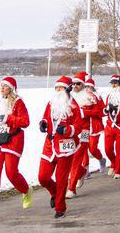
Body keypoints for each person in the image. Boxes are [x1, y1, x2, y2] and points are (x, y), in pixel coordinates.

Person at [0, 76, 32, 221]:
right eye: (1, 86)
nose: (2, 88)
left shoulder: (18, 102)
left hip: (13, 141)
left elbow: (25, 121)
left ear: (12, 88)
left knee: (11, 173)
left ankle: (26, 190)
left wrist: (8, 119)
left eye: (5, 86)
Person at [37, 76, 83, 219]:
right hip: (49, 146)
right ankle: (54, 192)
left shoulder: (74, 106)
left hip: (65, 147)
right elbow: (46, 117)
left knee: (61, 178)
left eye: (61, 88)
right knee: (43, 177)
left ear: (68, 89)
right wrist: (43, 123)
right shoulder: (51, 103)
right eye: (56, 87)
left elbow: (79, 126)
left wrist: (68, 130)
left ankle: (60, 207)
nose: (57, 90)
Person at [67, 72, 104, 196]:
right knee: (71, 158)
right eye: (73, 84)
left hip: (85, 130)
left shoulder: (91, 96)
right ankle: (82, 172)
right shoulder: (69, 96)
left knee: (78, 156)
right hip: (72, 131)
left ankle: (71, 189)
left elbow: (100, 112)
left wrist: (84, 113)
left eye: (78, 84)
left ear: (83, 84)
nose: (75, 86)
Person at [102, 75, 120, 178]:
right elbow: (105, 110)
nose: (114, 85)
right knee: (107, 149)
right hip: (110, 126)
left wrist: (119, 111)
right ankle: (113, 163)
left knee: (119, 150)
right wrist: (106, 111)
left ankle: (118, 170)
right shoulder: (109, 96)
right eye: (112, 83)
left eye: (116, 83)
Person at [84, 76, 108, 173]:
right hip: (84, 128)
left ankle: (101, 160)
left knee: (93, 148)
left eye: (90, 87)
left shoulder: (97, 97)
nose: (87, 88)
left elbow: (102, 112)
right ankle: (85, 170)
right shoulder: (80, 97)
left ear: (93, 88)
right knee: (84, 148)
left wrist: (90, 111)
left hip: (95, 127)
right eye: (86, 86)